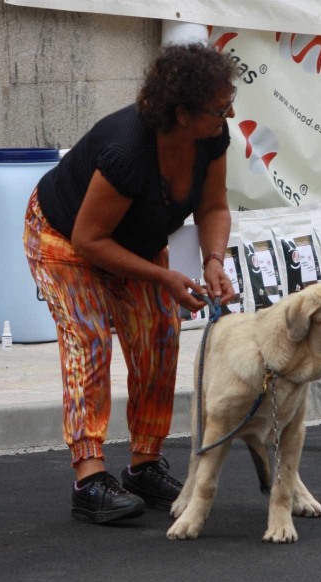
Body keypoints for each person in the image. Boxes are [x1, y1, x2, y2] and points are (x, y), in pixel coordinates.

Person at [23, 43, 238, 524]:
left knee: (160, 334)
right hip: (64, 239)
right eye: (220, 108)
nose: (230, 114)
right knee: (90, 337)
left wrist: (213, 260)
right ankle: (89, 478)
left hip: (133, 244)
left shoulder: (210, 138)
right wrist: (164, 275)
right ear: (181, 112)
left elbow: (214, 207)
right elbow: (89, 239)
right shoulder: (128, 150)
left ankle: (144, 464)